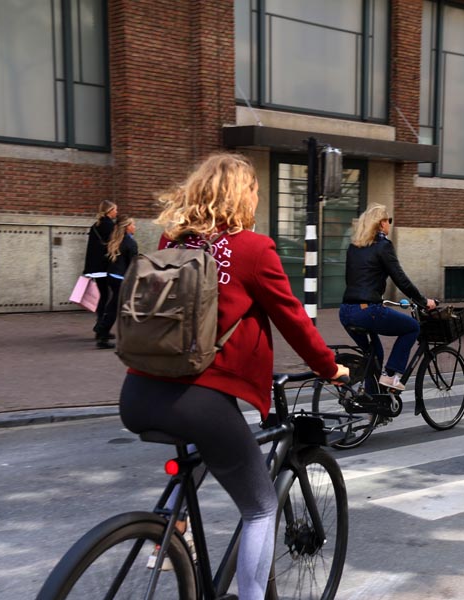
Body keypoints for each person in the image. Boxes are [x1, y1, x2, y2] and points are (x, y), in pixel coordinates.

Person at [117, 152, 349, 600]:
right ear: (243, 195)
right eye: (256, 189)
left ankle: (169, 532)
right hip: (200, 399)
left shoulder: (171, 240)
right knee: (261, 507)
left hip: (138, 391)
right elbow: (293, 320)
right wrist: (330, 367)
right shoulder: (253, 249)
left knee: (207, 451)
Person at [340, 204, 436, 391]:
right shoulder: (383, 246)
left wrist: (376, 295)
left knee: (374, 354)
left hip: (346, 311)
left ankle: (373, 405)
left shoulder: (354, 247)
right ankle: (391, 375)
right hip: (367, 312)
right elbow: (401, 280)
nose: (389, 224)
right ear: (382, 223)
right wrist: (423, 301)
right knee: (412, 327)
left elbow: (353, 280)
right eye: (388, 220)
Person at [95, 216, 138, 349]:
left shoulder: (116, 240)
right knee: (117, 306)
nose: (135, 227)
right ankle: (102, 333)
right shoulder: (130, 243)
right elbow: (133, 264)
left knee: (114, 304)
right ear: (127, 227)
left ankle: (102, 329)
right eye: (133, 225)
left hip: (112, 276)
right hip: (121, 278)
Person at [82, 200, 117, 340]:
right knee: (106, 297)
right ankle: (101, 327)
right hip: (104, 266)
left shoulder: (95, 226)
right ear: (109, 211)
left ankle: (100, 325)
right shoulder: (110, 226)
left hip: (95, 267)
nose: (116, 212)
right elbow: (113, 246)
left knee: (103, 296)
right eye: (115, 210)